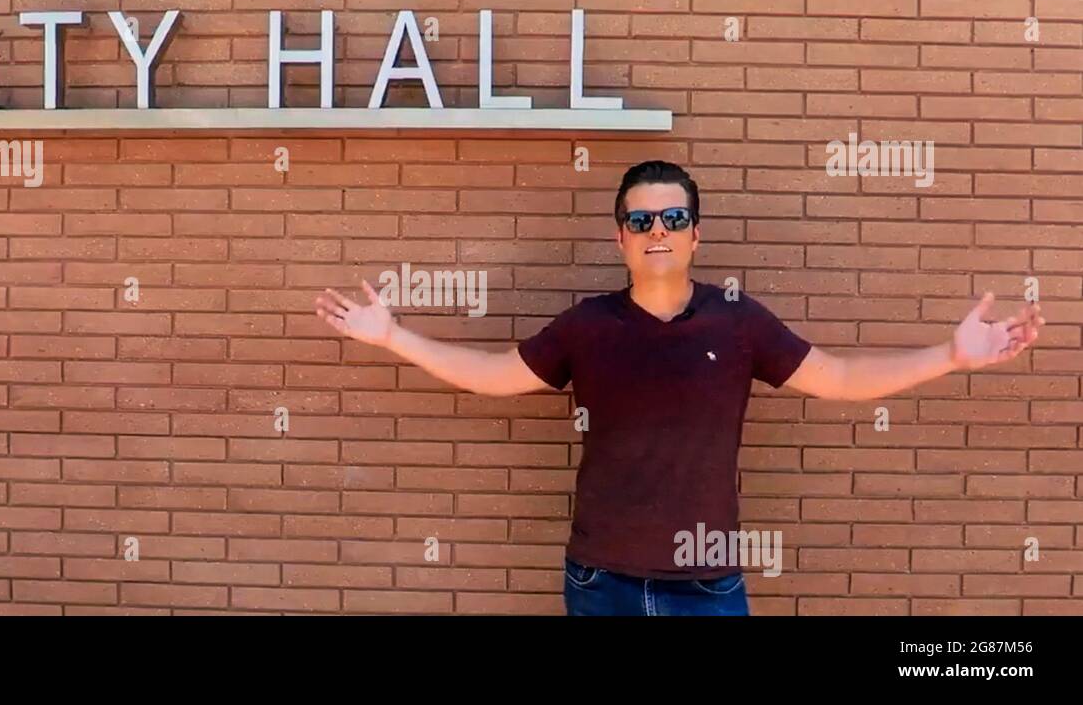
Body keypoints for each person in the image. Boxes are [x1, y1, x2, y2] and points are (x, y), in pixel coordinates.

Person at [314, 160, 1045, 616]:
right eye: (640, 218)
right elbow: (494, 376)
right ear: (620, 239)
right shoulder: (587, 325)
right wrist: (393, 337)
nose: (656, 227)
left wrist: (949, 355)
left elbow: (843, 379)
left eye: (673, 216)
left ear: (696, 234)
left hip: (710, 584)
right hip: (600, 581)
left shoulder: (739, 321)